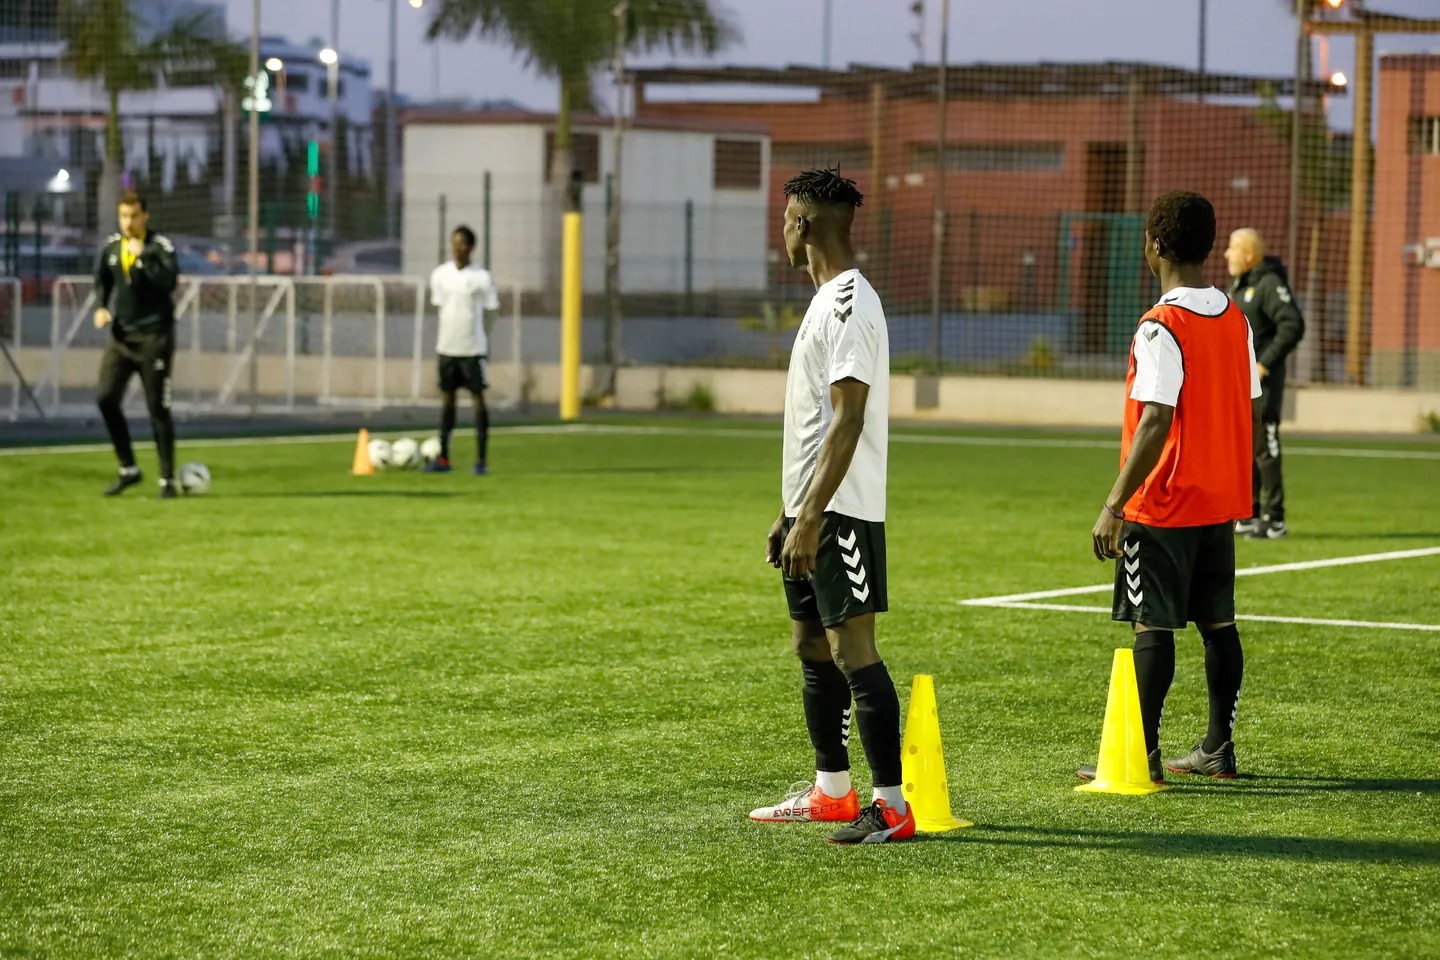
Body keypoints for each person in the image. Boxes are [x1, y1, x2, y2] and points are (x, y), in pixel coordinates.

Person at [748, 168, 910, 845]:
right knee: (811, 645)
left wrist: (813, 514)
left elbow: (848, 419)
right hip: (811, 507)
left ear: (804, 225)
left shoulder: (848, 304)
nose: (780, 232)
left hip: (840, 511)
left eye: (785, 219)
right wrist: (791, 511)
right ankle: (832, 792)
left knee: (854, 649)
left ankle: (893, 806)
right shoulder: (823, 302)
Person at [1079, 190, 1262, 785]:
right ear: (1209, 247)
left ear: (1153, 245)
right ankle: (1217, 747)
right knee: (1219, 624)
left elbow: (1155, 419)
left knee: (1151, 626)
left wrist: (1115, 504)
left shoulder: (1160, 326)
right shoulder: (1236, 318)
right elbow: (1248, 406)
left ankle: (1143, 755)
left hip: (1162, 504)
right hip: (1219, 500)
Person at [94, 191, 181, 499]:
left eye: (133, 216)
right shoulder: (112, 247)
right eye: (123, 216)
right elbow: (102, 280)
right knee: (105, 398)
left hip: (154, 338)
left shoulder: (159, 247)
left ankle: (167, 479)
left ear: (145, 216)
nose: (128, 223)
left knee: (157, 407)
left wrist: (142, 256)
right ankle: (128, 468)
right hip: (122, 338)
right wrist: (102, 307)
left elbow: (168, 282)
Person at [1224, 229, 1305, 540]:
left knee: (1266, 446)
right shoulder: (1242, 287)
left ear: (1248, 255)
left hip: (1264, 383)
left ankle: (1275, 518)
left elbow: (1293, 324)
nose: (1226, 254)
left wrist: (1264, 363)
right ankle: (1251, 512)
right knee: (1248, 447)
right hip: (1242, 384)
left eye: (1232, 248)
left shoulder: (1269, 284)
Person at [423, 226, 499, 475]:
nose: (457, 248)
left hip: (473, 349)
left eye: (462, 244)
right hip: (447, 347)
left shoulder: (482, 278)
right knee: (447, 401)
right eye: (454, 243)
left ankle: (482, 460)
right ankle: (444, 459)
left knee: (478, 400)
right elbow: (439, 307)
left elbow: (490, 312)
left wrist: (482, 339)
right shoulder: (440, 275)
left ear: (471, 247)